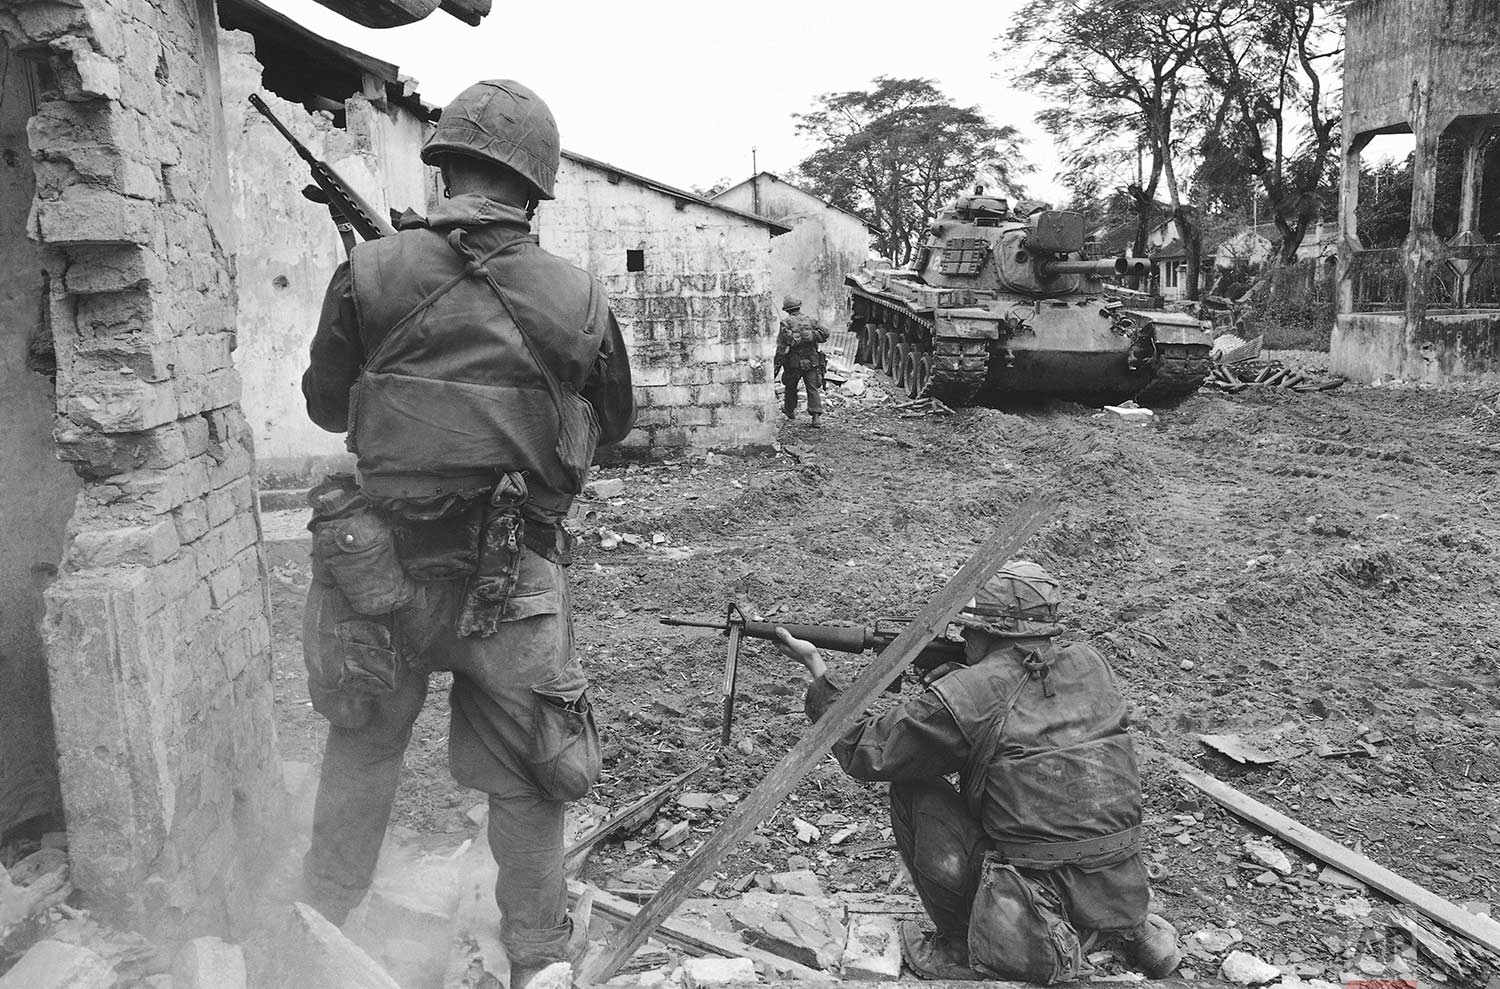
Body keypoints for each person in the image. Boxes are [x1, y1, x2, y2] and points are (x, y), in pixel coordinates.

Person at [298, 79, 635, 988]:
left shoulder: (370, 272)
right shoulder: (578, 295)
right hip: (515, 578)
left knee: (362, 747)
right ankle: (538, 962)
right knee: (529, 777)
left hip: (380, 571)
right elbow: (619, 419)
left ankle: (311, 932)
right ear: (535, 188)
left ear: (440, 164)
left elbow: (329, 408)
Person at [772, 561, 1180, 983]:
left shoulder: (973, 692)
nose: (963, 637)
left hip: (1030, 893)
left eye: (970, 629)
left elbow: (868, 751)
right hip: (1116, 878)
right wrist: (970, 680)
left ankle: (960, 945)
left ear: (991, 630)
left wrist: (818, 671)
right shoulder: (1090, 663)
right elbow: (1031, 713)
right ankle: (1128, 929)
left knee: (912, 788)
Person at [774, 295, 829, 427]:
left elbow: (781, 347)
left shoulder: (785, 324)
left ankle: (790, 411)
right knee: (812, 388)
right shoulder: (810, 321)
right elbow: (825, 333)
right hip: (812, 361)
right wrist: (811, 336)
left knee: (791, 387)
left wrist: (776, 365)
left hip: (793, 363)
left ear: (786, 310)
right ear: (799, 306)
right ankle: (816, 418)